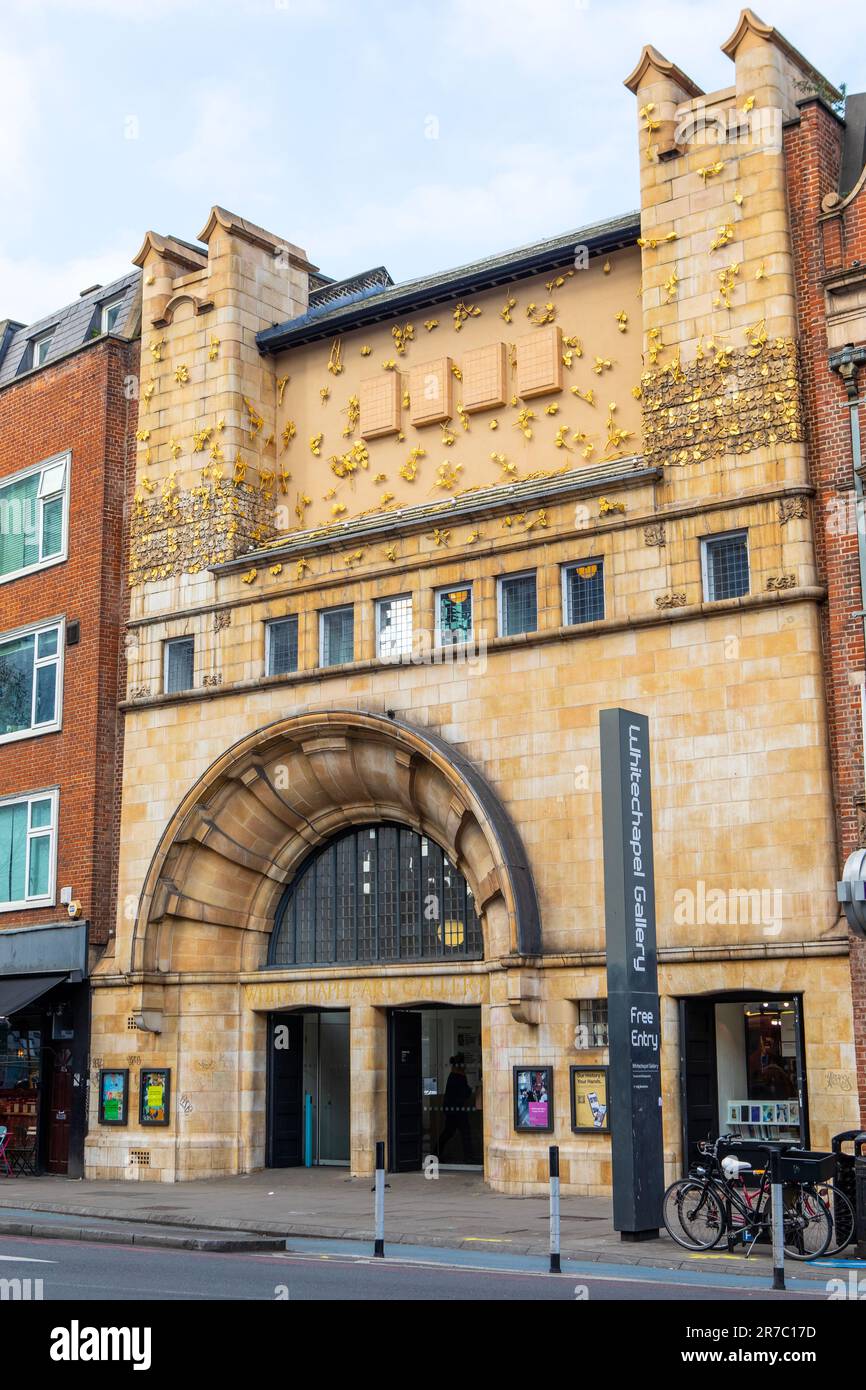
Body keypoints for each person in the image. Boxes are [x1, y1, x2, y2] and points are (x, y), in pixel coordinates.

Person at [437, 1054, 473, 1162]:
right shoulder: (460, 1076)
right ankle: (468, 1157)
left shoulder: (452, 1075)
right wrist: (469, 1090)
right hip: (457, 1110)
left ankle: (436, 1152)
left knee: (449, 1132)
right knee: (465, 1133)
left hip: (452, 1109)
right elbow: (464, 1093)